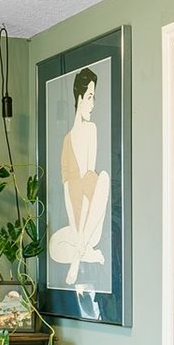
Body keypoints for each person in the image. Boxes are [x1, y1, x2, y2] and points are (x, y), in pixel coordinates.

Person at [50, 67, 110, 286]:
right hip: (77, 224)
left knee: (101, 177)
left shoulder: (91, 130)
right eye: (90, 97)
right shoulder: (67, 140)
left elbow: (89, 185)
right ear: (79, 98)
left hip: (91, 221)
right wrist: (75, 231)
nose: (93, 103)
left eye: (94, 97)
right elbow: (68, 190)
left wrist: (81, 236)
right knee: (54, 247)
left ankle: (79, 254)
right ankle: (85, 253)